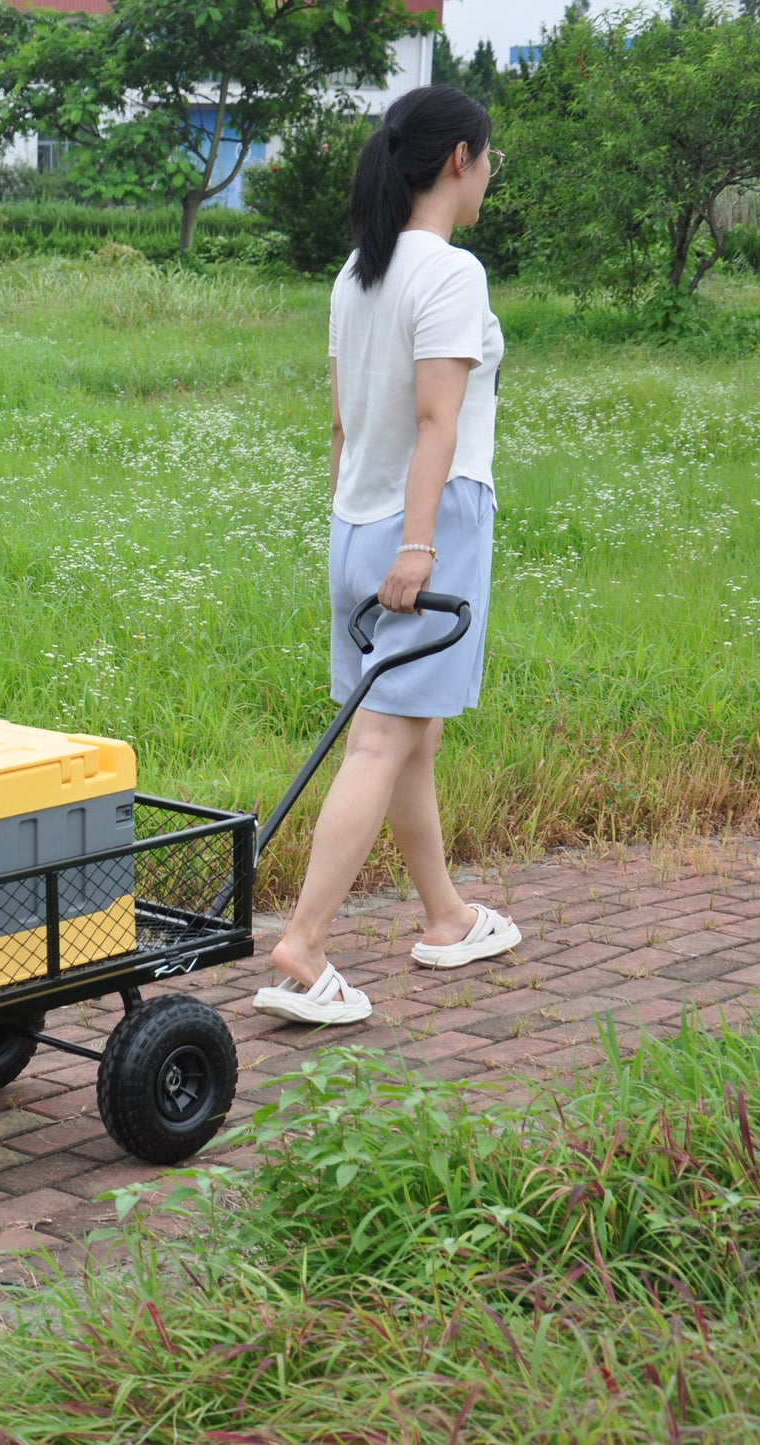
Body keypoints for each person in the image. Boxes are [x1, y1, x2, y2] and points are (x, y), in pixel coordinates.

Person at [253, 85, 521, 1028]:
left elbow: (340, 425)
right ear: (458, 160)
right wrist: (417, 546)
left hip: (353, 522)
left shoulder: (356, 273)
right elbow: (436, 420)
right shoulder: (449, 272)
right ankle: (306, 942)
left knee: (413, 730)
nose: (491, 175)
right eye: (488, 158)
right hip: (426, 524)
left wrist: (360, 533)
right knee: (381, 737)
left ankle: (446, 915)